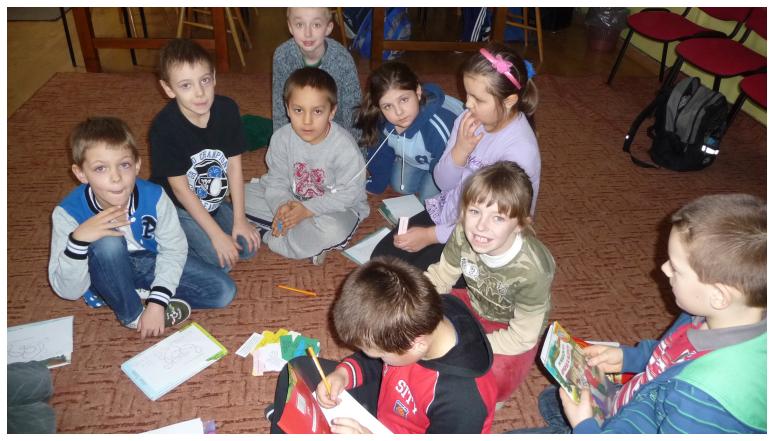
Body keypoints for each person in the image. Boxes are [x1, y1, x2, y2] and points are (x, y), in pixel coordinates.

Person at [517, 193, 767, 434]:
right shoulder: (708, 314)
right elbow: (672, 352)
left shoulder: (702, 400)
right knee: (557, 397)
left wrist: (584, 426)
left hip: (638, 423)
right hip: (637, 400)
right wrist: (629, 358)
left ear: (719, 296)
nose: (664, 268)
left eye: (676, 268)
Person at [48, 117, 236, 338]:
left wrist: (157, 302)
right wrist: (78, 240)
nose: (116, 178)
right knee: (108, 242)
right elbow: (68, 291)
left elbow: (173, 249)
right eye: (100, 168)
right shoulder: (67, 213)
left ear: (137, 164)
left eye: (124, 165)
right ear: (80, 173)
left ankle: (134, 291)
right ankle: (131, 313)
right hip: (100, 268)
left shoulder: (154, 196)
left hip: (146, 260)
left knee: (223, 292)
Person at [267, 257, 498, 433]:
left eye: (381, 355)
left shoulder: (464, 402)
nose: (375, 358)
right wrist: (343, 375)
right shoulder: (418, 318)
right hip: (384, 403)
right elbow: (373, 364)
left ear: (415, 344)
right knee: (297, 370)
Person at [371, 42, 541, 272]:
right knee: (382, 258)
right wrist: (461, 149)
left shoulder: (519, 152)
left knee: (414, 276)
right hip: (451, 212)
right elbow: (443, 183)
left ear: (509, 101)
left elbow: (490, 223)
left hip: (486, 236)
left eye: (478, 99)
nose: (467, 104)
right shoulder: (467, 119)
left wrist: (430, 235)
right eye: (467, 94)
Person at [425, 161, 555, 404]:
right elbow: (441, 277)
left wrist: (473, 344)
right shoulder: (463, 232)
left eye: (497, 218)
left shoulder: (533, 270)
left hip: (512, 325)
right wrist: (414, 300)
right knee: (419, 327)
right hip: (475, 302)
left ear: (520, 224)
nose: (480, 226)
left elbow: (523, 336)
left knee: (493, 378)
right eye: (475, 211)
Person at [149, 38, 259, 273]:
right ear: (168, 89)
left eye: (205, 80)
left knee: (247, 248)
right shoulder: (163, 128)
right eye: (186, 85)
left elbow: (234, 167)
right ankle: (165, 243)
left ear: (214, 77)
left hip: (212, 201)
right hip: (176, 206)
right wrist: (217, 235)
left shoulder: (227, 110)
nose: (199, 93)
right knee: (222, 262)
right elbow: (180, 190)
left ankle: (201, 233)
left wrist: (240, 219)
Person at [244, 67, 369, 264]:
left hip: (335, 207)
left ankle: (268, 236)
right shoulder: (281, 138)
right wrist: (283, 206)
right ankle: (303, 239)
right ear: (287, 109)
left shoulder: (344, 148)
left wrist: (307, 210)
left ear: (332, 112)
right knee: (240, 196)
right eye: (298, 110)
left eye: (317, 111)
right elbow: (276, 181)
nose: (307, 121)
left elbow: (350, 194)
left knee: (334, 229)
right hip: (293, 198)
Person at [355, 61, 464, 203]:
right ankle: (423, 163)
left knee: (429, 201)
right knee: (401, 186)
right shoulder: (383, 120)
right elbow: (380, 155)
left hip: (449, 161)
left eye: (404, 100)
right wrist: (376, 185)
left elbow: (450, 169)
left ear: (418, 92)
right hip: (425, 156)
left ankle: (428, 169)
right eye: (387, 106)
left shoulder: (437, 129)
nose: (399, 112)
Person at [272, 7, 361, 139]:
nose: (307, 33)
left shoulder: (342, 60)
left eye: (316, 25)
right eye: (300, 24)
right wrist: (280, 142)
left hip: (334, 133)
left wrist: (355, 148)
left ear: (328, 28)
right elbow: (280, 107)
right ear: (290, 27)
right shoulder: (282, 56)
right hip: (298, 132)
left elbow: (353, 111)